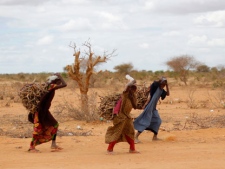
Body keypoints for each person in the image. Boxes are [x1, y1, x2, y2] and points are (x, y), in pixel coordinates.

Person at [28, 73, 67, 152]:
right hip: (40, 110)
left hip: (44, 110)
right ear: (55, 81)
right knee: (38, 128)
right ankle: (32, 147)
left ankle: (53, 144)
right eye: (58, 82)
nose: (59, 83)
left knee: (54, 124)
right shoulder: (51, 86)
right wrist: (60, 76)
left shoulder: (47, 85)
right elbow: (65, 84)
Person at [105, 82, 140, 154]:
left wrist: (133, 96)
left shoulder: (132, 97)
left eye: (134, 89)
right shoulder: (125, 95)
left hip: (127, 116)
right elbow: (125, 90)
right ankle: (109, 149)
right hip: (120, 117)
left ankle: (132, 149)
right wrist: (129, 84)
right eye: (132, 88)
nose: (133, 90)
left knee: (130, 131)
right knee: (117, 132)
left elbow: (135, 106)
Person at [133, 77, 170, 143]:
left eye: (164, 85)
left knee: (158, 121)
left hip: (153, 108)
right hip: (149, 107)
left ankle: (155, 137)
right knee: (145, 122)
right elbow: (150, 94)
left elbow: (168, 94)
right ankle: (135, 137)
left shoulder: (162, 91)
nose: (163, 85)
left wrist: (167, 86)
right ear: (160, 83)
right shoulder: (156, 87)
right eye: (163, 84)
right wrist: (145, 104)